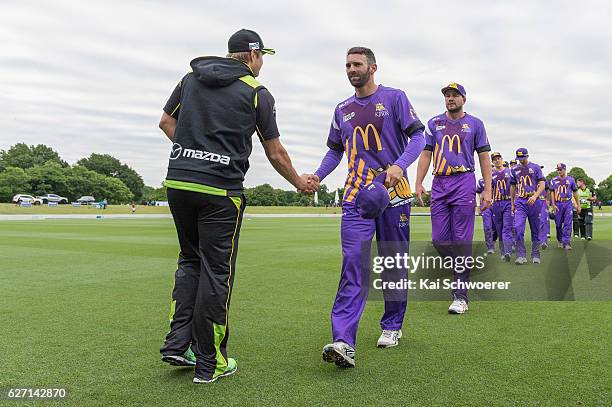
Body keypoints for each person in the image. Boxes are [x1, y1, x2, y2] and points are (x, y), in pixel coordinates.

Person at [157, 29, 318, 384]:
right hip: (220, 191)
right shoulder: (257, 93)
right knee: (217, 272)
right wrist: (299, 183)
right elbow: (274, 151)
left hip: (179, 181)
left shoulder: (190, 79)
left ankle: (176, 344)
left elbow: (167, 122)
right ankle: (209, 362)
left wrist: (194, 151)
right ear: (255, 55)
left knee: (189, 261)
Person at [311, 47, 425, 368]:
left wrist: (400, 166)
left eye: (357, 64)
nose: (351, 69)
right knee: (353, 264)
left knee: (393, 263)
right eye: (347, 64)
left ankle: (392, 325)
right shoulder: (341, 109)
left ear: (373, 67)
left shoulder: (395, 98)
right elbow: (335, 151)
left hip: (394, 195)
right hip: (356, 199)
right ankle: (343, 340)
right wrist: (319, 176)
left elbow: (418, 137)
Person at [415, 82, 492, 314]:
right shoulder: (433, 123)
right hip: (439, 183)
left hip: (464, 181)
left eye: (455, 95)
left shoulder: (475, 124)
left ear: (464, 99)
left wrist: (487, 189)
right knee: (439, 239)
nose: (450, 98)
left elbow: (484, 157)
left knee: (461, 239)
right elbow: (426, 153)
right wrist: (418, 182)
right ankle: (466, 265)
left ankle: (460, 296)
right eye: (447, 95)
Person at [509, 148, 545, 264]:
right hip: (520, 202)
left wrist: (535, 196)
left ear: (527, 156)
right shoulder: (514, 169)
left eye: (523, 158)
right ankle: (521, 255)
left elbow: (542, 184)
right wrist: (512, 203)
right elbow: (513, 187)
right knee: (518, 228)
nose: (521, 161)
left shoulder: (535, 167)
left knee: (535, 230)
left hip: (534, 202)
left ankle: (535, 254)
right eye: (519, 159)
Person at [549, 163, 580, 250]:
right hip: (558, 204)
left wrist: (578, 205)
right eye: (558, 170)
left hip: (568, 204)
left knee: (568, 223)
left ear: (564, 169)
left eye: (560, 169)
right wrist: (553, 204)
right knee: (558, 224)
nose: (559, 171)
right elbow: (552, 192)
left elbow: (575, 193)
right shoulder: (553, 180)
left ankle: (567, 242)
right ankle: (559, 240)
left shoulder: (571, 180)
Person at [490, 152, 513, 261]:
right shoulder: (491, 174)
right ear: (492, 161)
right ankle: (503, 252)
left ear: (502, 159)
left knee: (507, 227)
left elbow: (515, 187)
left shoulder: (510, 172)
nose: (497, 161)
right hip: (497, 203)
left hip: (508, 202)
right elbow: (490, 189)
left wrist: (515, 202)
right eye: (495, 159)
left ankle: (508, 251)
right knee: (499, 229)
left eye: (498, 158)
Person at [477, 176, 495, 255]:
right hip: (485, 206)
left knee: (497, 227)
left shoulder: (496, 179)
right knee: (487, 226)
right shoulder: (481, 181)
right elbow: (478, 193)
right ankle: (490, 247)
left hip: (497, 205)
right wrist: (478, 206)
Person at [538, 166, 551, 250]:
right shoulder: (530, 179)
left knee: (543, 221)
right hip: (533, 203)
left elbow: (547, 191)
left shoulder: (544, 179)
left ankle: (543, 241)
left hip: (542, 202)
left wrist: (547, 200)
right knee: (536, 223)